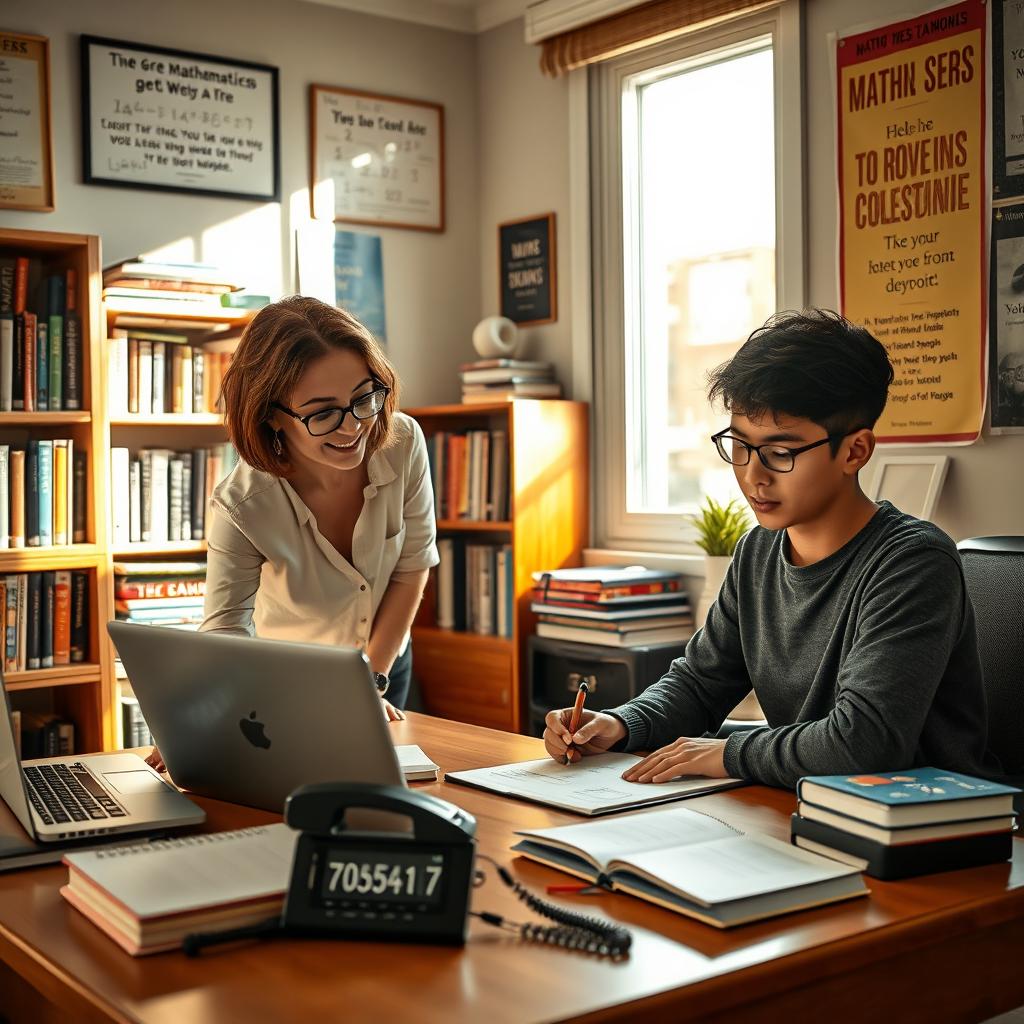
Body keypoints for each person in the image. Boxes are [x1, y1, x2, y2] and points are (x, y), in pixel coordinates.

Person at [544, 309, 995, 789]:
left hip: (930, 829)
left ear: (854, 451)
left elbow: (866, 742)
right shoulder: (758, 552)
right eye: (740, 445)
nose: (752, 475)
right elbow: (701, 684)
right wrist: (620, 724)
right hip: (807, 808)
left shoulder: (913, 563)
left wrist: (725, 752)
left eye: (780, 453)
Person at [152, 295, 436, 777]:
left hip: (383, 665)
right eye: (322, 412)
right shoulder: (242, 504)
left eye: (364, 397)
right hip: (286, 690)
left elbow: (412, 568)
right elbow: (224, 631)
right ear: (271, 415)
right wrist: (195, 718)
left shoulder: (403, 442)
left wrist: (370, 679)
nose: (354, 426)